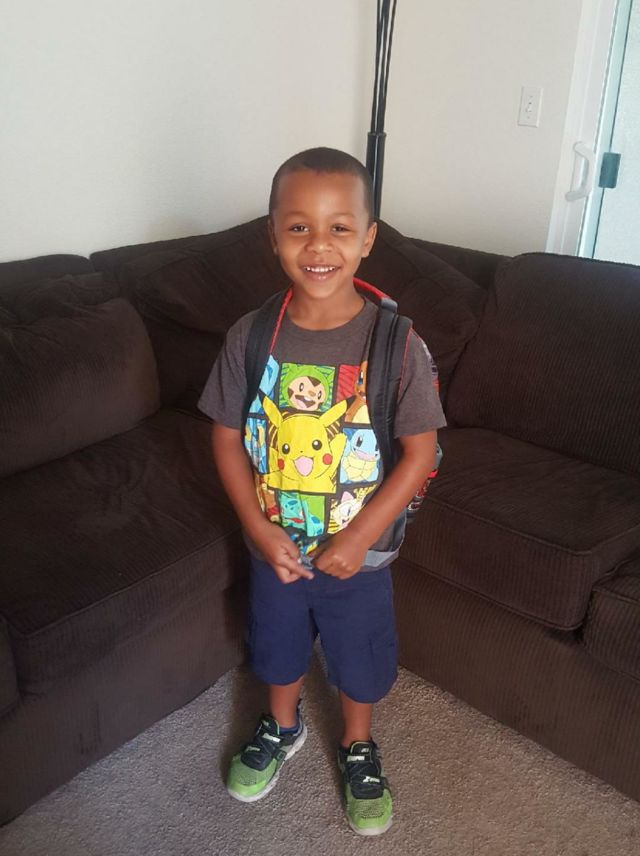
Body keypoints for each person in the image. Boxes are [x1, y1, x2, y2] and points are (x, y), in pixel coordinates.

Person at [198, 147, 446, 836]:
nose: (318, 245)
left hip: (358, 557)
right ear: (273, 235)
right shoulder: (251, 337)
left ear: (368, 238)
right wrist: (256, 527)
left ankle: (357, 743)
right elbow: (225, 438)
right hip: (275, 546)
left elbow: (421, 453)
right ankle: (282, 725)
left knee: (359, 656)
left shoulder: (397, 345)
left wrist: (360, 536)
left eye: (340, 227)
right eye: (299, 227)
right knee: (276, 645)